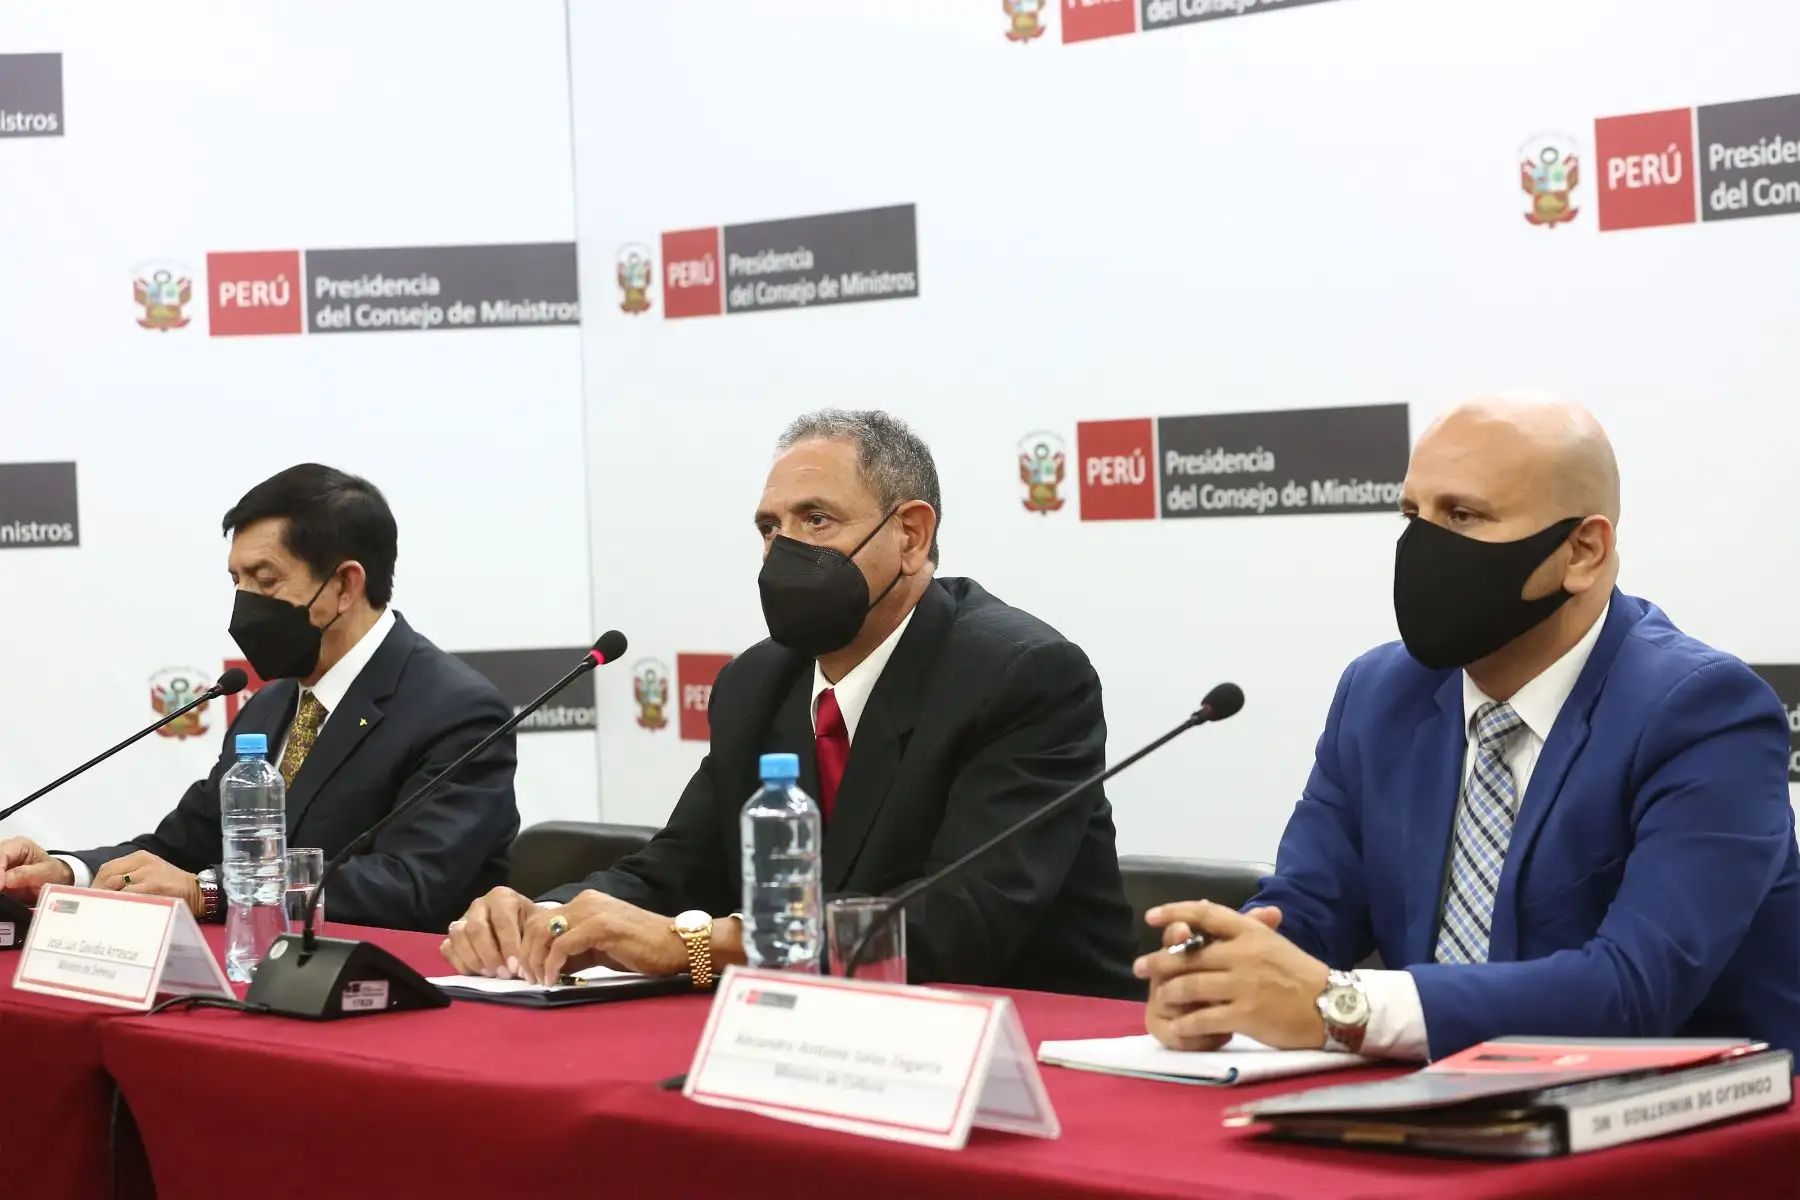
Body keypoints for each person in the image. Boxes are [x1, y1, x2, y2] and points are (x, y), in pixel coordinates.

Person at [1138, 394, 1800, 1060]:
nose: (1422, 545)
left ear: (1584, 551)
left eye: (1462, 515)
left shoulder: (1703, 713)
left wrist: (1345, 1008)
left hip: (1685, 1134)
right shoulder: (1380, 695)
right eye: (1411, 514)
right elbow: (1310, 906)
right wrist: (1222, 971)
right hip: (1425, 1113)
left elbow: (1633, 988)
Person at [443, 409, 1138, 997]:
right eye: (770, 529)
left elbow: (953, 926)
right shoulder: (759, 682)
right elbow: (676, 869)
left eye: (817, 520)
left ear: (912, 535)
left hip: (1031, 1049)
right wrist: (545, 918)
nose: (784, 552)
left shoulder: (1019, 675)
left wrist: (695, 946)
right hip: (818, 1036)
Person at [0, 464, 520, 933]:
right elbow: (185, 846)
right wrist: (68, 871)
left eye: (264, 580)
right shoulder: (271, 704)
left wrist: (208, 892)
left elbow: (411, 884)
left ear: (344, 585)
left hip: (396, 999)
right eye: (236, 580)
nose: (244, 604)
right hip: (266, 978)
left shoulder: (456, 711)